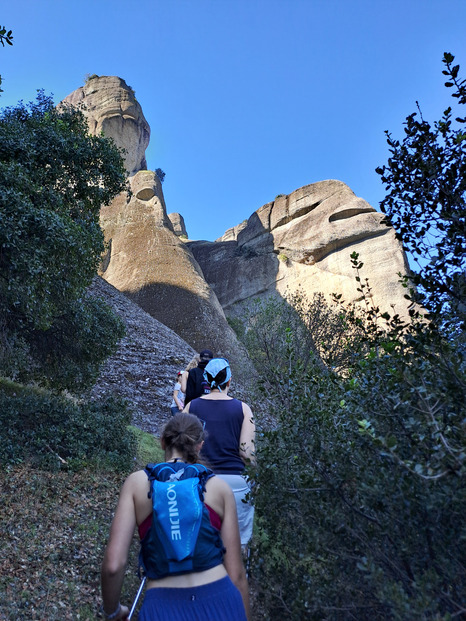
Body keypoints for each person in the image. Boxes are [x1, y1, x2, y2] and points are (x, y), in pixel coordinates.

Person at [101, 413, 250, 621]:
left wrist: (113, 611)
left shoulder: (136, 484)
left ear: (162, 441)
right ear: (199, 446)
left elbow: (113, 565)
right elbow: (237, 575)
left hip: (162, 607)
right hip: (220, 600)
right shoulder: (219, 488)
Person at [184, 358, 256, 549]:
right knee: (236, 545)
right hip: (236, 484)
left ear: (205, 380)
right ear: (229, 381)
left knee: (199, 542)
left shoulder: (191, 407)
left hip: (200, 481)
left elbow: (181, 446)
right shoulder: (243, 409)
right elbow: (246, 453)